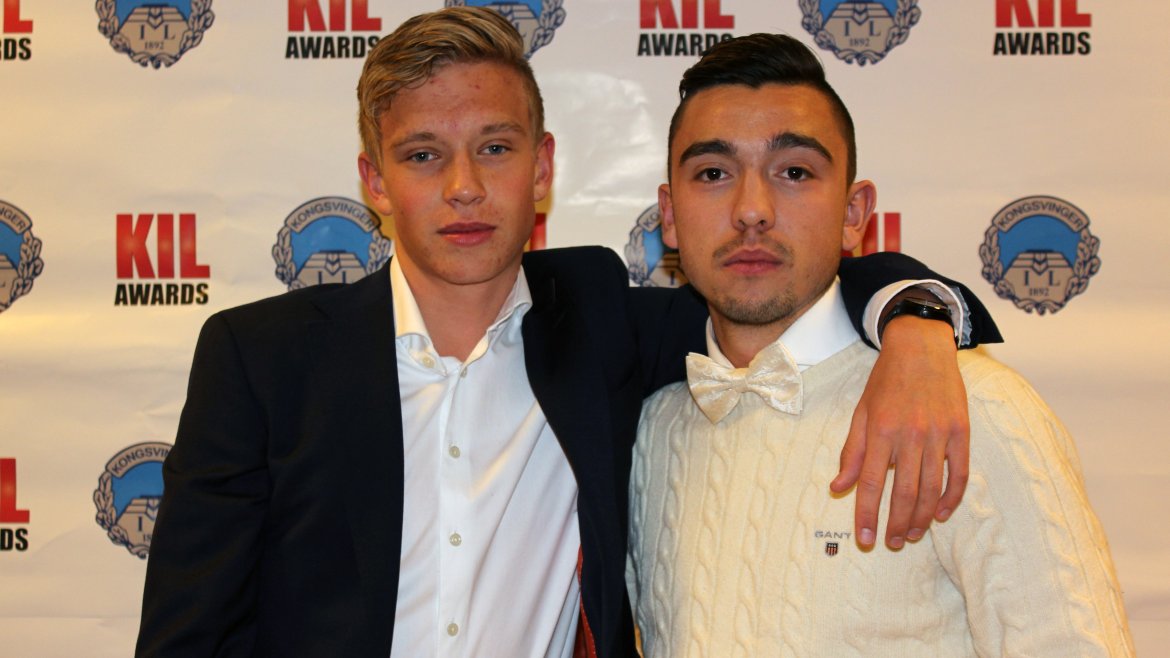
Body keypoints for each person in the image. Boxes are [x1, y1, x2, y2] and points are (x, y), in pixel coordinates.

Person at [136, 9, 1000, 658]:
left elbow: (784, 277)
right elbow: (188, 634)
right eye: (424, 154)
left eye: (496, 148)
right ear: (377, 181)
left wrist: (918, 325)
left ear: (543, 166)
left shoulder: (602, 322)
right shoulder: (262, 359)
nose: (465, 187)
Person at [626, 32, 1134, 656]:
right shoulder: (653, 428)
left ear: (854, 212)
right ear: (669, 215)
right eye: (713, 173)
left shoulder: (972, 409)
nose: (752, 209)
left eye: (794, 172)